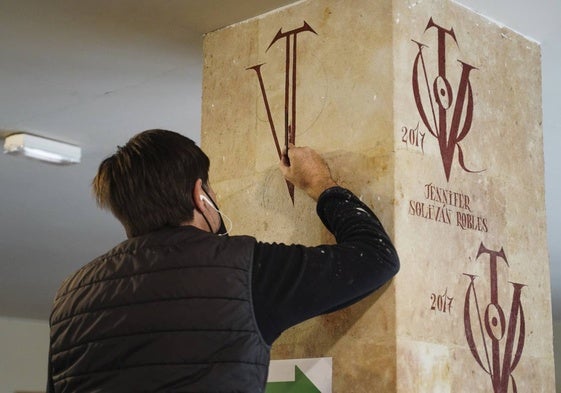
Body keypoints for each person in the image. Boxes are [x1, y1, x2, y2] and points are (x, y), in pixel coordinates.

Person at [46, 129, 399, 393]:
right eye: (212, 189)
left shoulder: (70, 296)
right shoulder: (242, 270)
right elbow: (375, 257)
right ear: (200, 195)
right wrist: (322, 184)